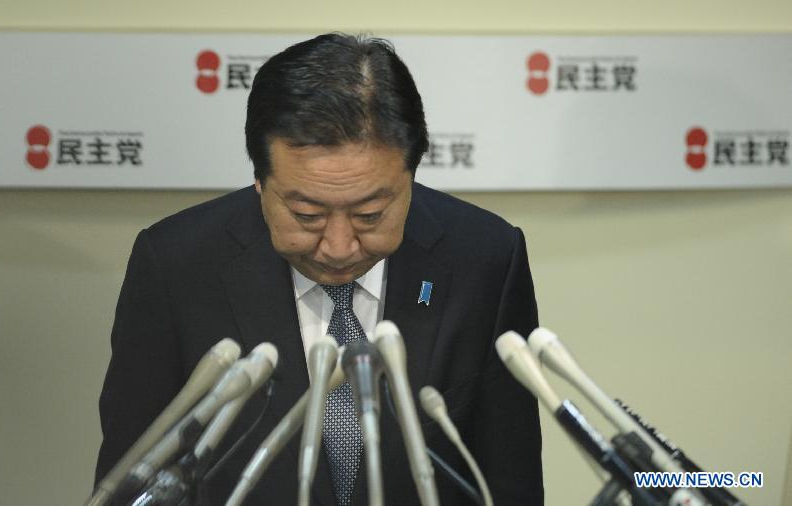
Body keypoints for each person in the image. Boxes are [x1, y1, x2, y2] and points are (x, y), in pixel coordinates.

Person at [95, 33, 543, 505]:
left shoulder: (486, 258)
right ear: (259, 180)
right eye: (307, 216)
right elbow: (133, 481)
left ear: (411, 175)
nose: (339, 246)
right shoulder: (177, 266)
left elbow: (510, 482)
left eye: (370, 216)